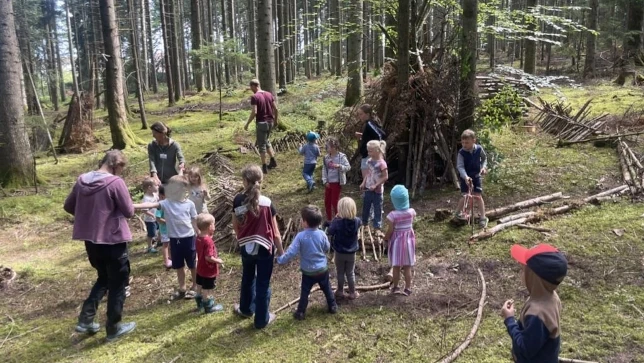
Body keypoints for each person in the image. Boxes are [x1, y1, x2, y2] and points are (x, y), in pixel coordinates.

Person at [63, 150, 136, 341]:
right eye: (120, 168)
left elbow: (69, 206)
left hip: (91, 241)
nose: (120, 173)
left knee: (104, 277)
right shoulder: (115, 182)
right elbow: (128, 211)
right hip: (113, 240)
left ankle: (86, 319)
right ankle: (113, 327)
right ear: (115, 164)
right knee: (118, 283)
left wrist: (90, 217)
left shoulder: (82, 180)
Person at [232, 165, 284, 329]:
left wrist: (242, 239)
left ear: (245, 181)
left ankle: (246, 309)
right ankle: (262, 319)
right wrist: (281, 252)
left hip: (246, 246)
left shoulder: (238, 200)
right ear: (260, 181)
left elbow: (235, 225)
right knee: (263, 282)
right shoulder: (267, 203)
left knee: (247, 277)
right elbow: (274, 231)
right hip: (265, 247)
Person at [134, 175, 198, 299]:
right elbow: (150, 205)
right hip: (174, 239)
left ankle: (195, 286)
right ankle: (182, 288)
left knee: (192, 264)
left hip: (189, 238)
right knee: (178, 265)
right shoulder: (166, 203)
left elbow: (194, 219)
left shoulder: (189, 204)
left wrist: (199, 233)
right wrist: (133, 206)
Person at [502, 243, 568, 363]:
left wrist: (509, 320)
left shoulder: (537, 313)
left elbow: (525, 349)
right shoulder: (552, 297)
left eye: (523, 270)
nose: (520, 273)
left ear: (534, 277)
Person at [277, 206, 337, 320]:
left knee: (305, 292)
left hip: (308, 272)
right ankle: (333, 306)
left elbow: (291, 252)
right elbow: (327, 247)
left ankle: (300, 312)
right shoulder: (322, 234)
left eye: (301, 219)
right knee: (327, 288)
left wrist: (280, 259)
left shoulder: (300, 236)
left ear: (305, 222)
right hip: (322, 270)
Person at [383, 185, 416, 296]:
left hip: (397, 243)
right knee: (407, 267)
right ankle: (407, 289)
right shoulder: (411, 212)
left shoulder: (393, 216)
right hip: (409, 243)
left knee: (396, 267)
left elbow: (390, 230)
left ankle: (396, 287)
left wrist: (386, 238)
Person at [327, 197, 361, 300]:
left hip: (339, 252)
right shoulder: (357, 221)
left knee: (340, 272)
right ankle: (352, 292)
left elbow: (330, 231)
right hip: (351, 253)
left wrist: (335, 219)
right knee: (350, 273)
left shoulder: (337, 222)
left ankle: (340, 291)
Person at [455, 129, 489, 228]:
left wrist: (483, 167)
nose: (464, 145)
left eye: (467, 142)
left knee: (478, 196)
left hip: (476, 177)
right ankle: (458, 213)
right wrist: (465, 176)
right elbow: (460, 166)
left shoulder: (479, 149)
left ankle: (483, 217)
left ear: (474, 140)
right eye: (463, 142)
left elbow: (484, 159)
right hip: (465, 178)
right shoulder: (461, 152)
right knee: (465, 196)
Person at [244, 79, 279, 174]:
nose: (251, 89)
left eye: (251, 87)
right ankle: (273, 161)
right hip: (270, 122)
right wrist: (275, 121)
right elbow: (276, 109)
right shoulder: (269, 94)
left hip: (261, 123)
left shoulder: (255, 97)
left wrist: (247, 123)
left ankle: (264, 167)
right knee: (266, 141)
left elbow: (254, 112)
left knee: (261, 145)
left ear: (254, 86)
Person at [195, 213, 224, 313]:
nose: (214, 226)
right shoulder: (208, 241)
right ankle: (208, 306)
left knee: (199, 285)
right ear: (209, 227)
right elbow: (208, 257)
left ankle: (199, 304)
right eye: (214, 224)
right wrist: (218, 261)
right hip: (208, 270)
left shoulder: (199, 237)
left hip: (200, 268)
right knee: (207, 289)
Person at [321, 137, 351, 224]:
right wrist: (325, 181)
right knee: (327, 202)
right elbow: (324, 170)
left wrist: (340, 166)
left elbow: (348, 167)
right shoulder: (326, 158)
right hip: (329, 183)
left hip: (337, 183)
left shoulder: (341, 157)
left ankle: (338, 219)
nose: (326, 148)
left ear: (334, 147)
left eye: (328, 147)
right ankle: (329, 220)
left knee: (335, 202)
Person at [360, 140, 389, 230]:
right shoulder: (369, 161)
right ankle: (364, 223)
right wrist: (363, 183)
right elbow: (369, 173)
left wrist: (376, 185)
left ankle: (377, 226)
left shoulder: (382, 163)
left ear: (377, 150)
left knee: (377, 208)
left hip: (378, 191)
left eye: (370, 151)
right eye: (368, 150)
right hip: (368, 188)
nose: (368, 153)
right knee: (366, 206)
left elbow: (385, 177)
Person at [148, 121, 185, 185]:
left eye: (155, 133)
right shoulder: (152, 146)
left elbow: (181, 158)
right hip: (157, 180)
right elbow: (152, 160)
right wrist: (154, 174)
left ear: (162, 133)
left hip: (171, 179)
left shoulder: (175, 145)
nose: (153, 135)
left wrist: (181, 165)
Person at [354, 104, 386, 180]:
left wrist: (375, 151)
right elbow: (372, 137)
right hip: (366, 156)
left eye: (361, 114)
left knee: (369, 182)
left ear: (367, 114)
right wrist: (362, 136)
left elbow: (380, 135)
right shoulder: (367, 124)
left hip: (370, 156)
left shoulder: (369, 124)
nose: (360, 116)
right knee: (368, 182)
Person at [155, 185, 173, 268]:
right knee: (165, 244)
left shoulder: (170, 204)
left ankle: (171, 258)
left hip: (171, 229)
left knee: (170, 244)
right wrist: (166, 221)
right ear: (162, 196)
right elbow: (158, 218)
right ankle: (166, 261)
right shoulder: (160, 206)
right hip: (164, 229)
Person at [140, 177, 159, 254]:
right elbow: (145, 210)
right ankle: (149, 247)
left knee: (158, 230)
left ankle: (158, 241)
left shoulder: (154, 195)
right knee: (151, 234)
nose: (158, 187)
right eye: (156, 185)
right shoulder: (146, 199)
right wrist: (152, 215)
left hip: (156, 217)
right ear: (149, 188)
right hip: (150, 220)